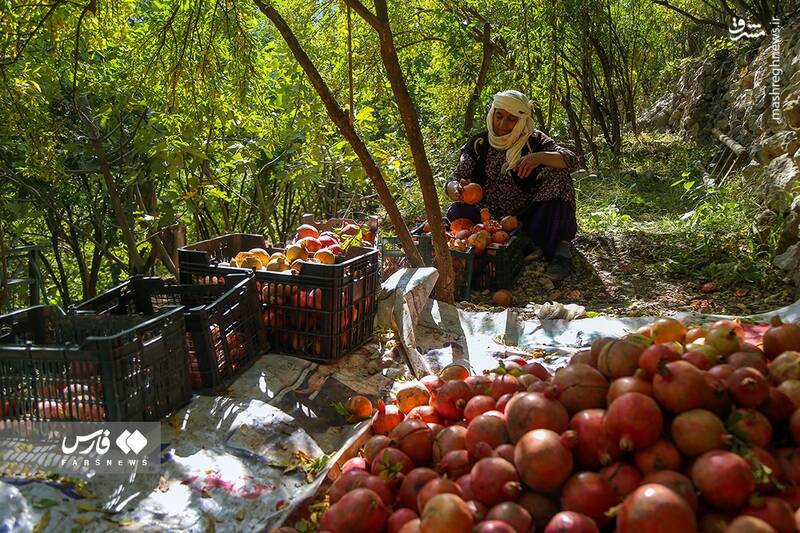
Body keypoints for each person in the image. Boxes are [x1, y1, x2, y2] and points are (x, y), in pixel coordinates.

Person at [444, 89, 580, 281]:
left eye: (511, 120)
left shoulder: (534, 141)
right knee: (456, 212)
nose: (502, 125)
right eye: (499, 116)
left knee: (561, 177)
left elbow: (571, 160)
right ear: (492, 113)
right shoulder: (479, 143)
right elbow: (454, 178)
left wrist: (538, 158)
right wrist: (456, 189)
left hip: (527, 214)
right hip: (486, 217)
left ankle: (560, 249)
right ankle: (511, 246)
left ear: (521, 122)